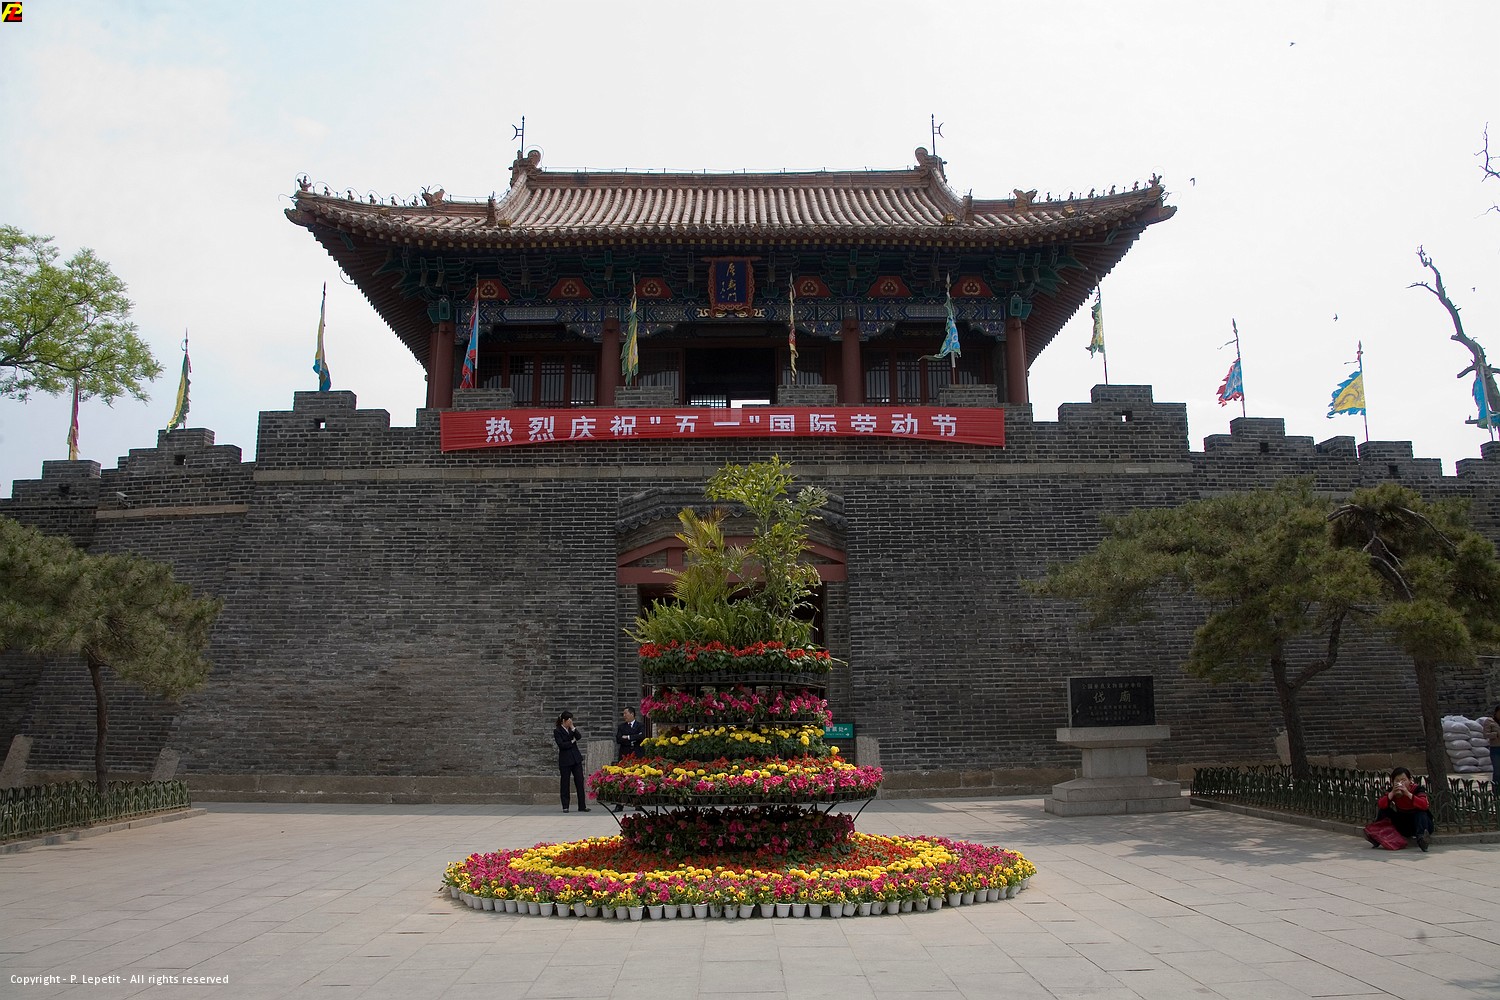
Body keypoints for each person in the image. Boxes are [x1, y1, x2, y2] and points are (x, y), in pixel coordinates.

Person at [1373, 767, 1432, 851]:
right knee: (1384, 811)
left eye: (1403, 780)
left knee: (1420, 812)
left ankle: (1422, 840)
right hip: (1404, 823)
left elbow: (1424, 805)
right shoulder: (1392, 791)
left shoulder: (1417, 789)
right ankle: (1376, 836)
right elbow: (1381, 805)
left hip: (1421, 824)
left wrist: (1408, 793)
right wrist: (1392, 793)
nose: (1400, 783)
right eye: (1397, 781)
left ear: (1410, 780)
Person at [554, 711, 589, 813]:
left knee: (579, 781)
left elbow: (579, 737)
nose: (570, 722)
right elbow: (561, 745)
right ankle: (565, 806)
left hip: (576, 759)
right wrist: (571, 742)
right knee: (565, 783)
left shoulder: (571, 729)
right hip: (565, 760)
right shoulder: (557, 731)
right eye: (569, 720)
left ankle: (582, 806)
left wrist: (573, 728)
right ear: (564, 720)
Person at [611, 707, 645, 814]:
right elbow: (619, 739)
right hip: (625, 755)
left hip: (637, 755)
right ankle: (619, 804)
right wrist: (633, 737)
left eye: (625, 713)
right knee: (622, 778)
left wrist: (628, 737)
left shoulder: (640, 725)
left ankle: (638, 803)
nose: (624, 716)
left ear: (632, 714)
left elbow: (642, 736)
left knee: (637, 778)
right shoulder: (621, 726)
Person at [1482, 705, 1500, 787]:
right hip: (1495, 749)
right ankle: (1496, 790)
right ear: (1496, 713)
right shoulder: (1489, 721)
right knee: (1497, 771)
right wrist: (1496, 734)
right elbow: (1485, 734)